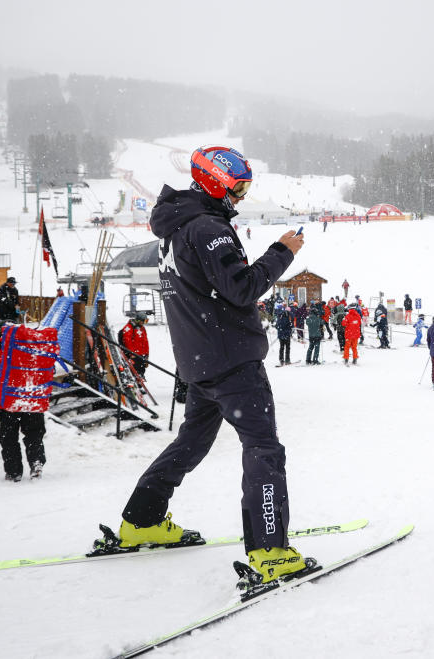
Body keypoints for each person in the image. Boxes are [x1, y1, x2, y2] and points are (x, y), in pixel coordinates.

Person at [111, 145, 310, 585]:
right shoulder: (207, 229)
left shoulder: (175, 227)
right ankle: (270, 551)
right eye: (238, 188)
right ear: (217, 181)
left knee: (192, 442)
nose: (241, 197)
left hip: (199, 362)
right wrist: (283, 251)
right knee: (263, 448)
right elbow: (240, 289)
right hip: (232, 361)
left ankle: (141, 520)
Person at [0, 322, 59, 481]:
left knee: (8, 438)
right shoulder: (35, 349)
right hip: (34, 401)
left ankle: (13, 471)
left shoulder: (2, 351)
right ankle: (36, 463)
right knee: (34, 435)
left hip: (11, 403)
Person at [118, 313, 150, 378]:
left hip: (141, 355)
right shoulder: (129, 327)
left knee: (141, 371)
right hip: (134, 355)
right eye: (144, 321)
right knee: (134, 371)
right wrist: (131, 354)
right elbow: (127, 342)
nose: (144, 323)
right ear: (139, 320)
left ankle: (140, 380)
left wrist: (147, 354)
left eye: (146, 321)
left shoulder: (142, 328)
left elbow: (145, 342)